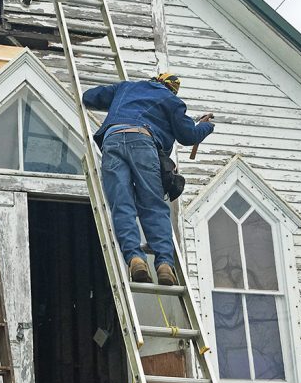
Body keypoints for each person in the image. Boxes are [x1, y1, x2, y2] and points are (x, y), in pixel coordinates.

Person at [82, 73, 213, 286]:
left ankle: (135, 259)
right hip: (142, 142)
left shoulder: (125, 88)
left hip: (112, 140)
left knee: (122, 204)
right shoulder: (172, 101)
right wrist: (205, 127)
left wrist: (120, 103)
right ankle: (164, 264)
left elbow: (89, 97)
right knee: (152, 204)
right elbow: (188, 136)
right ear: (172, 89)